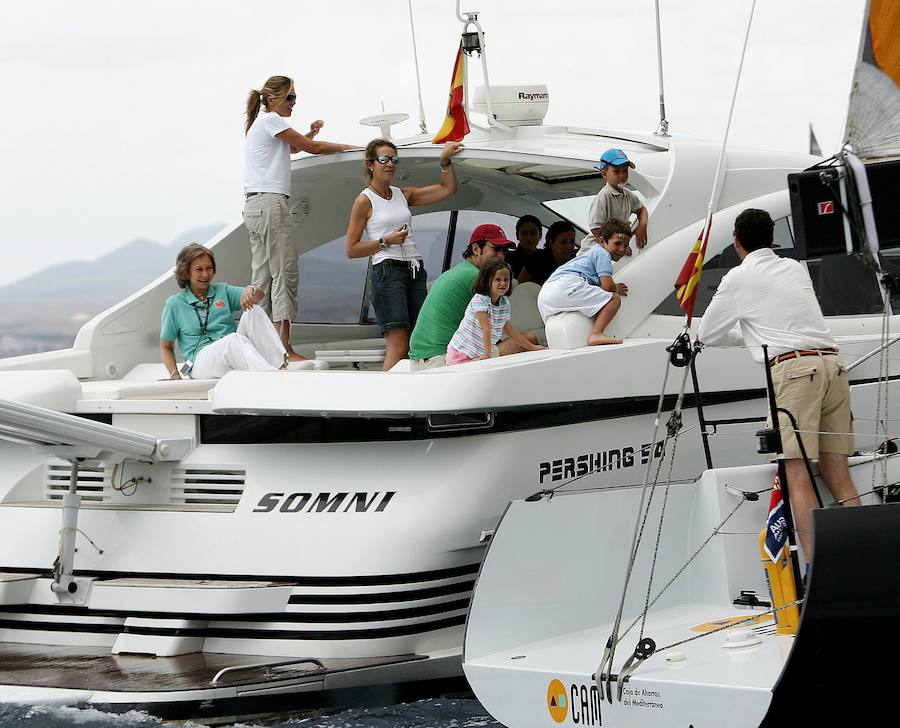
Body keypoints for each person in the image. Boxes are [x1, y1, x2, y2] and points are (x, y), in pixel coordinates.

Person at [698, 208, 859, 562]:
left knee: (794, 470)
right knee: (837, 469)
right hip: (833, 364)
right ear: (771, 239)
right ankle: (864, 561)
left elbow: (707, 333)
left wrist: (748, 335)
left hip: (794, 371)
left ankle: (818, 570)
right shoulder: (794, 267)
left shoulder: (737, 279)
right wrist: (758, 331)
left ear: (736, 242)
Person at [243, 75, 355, 361]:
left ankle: (256, 345)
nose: (295, 103)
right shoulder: (270, 120)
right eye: (290, 97)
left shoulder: (263, 123)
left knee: (262, 280)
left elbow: (294, 147)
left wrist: (310, 133)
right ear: (272, 99)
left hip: (254, 206)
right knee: (285, 274)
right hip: (271, 204)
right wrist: (351, 148)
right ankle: (284, 350)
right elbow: (310, 149)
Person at [346, 138, 463, 370]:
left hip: (414, 271)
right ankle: (387, 401)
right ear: (371, 164)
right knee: (398, 344)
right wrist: (384, 241)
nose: (390, 164)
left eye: (394, 159)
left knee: (418, 341)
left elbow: (447, 189)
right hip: (387, 273)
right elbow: (351, 249)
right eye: (384, 159)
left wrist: (444, 161)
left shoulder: (402, 194)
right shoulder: (364, 200)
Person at [409, 224, 538, 368]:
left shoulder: (460, 270)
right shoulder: (477, 278)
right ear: (476, 249)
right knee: (529, 340)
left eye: (505, 250)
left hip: (419, 359)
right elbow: (497, 328)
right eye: (496, 249)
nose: (502, 255)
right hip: (443, 359)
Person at [160, 244, 292, 380]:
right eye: (199, 269)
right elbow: (166, 346)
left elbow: (259, 295)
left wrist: (251, 291)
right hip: (200, 362)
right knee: (232, 341)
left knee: (254, 310)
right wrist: (174, 374)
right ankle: (273, 378)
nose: (205, 274)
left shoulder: (222, 290)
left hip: (232, 350)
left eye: (209, 268)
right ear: (187, 272)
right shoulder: (174, 304)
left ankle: (280, 365)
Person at [537, 219, 631, 346]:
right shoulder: (603, 254)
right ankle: (596, 334)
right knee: (614, 299)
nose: (621, 249)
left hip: (546, 293)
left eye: (626, 245)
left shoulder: (592, 253)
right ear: (602, 241)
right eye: (617, 243)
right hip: (567, 285)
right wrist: (617, 288)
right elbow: (607, 286)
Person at [447, 259, 545, 365]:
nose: (503, 283)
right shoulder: (480, 300)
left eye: (506, 279)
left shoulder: (504, 304)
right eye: (497, 279)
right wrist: (488, 356)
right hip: (461, 354)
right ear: (487, 281)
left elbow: (510, 331)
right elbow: (486, 329)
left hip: (479, 355)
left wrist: (533, 347)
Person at [577, 148, 648, 258]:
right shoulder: (604, 196)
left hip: (610, 248)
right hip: (592, 251)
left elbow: (642, 209)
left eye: (625, 171)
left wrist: (642, 227)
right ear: (604, 174)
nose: (622, 175)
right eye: (616, 171)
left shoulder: (627, 194)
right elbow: (596, 228)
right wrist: (619, 246)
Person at [518, 220, 577, 285]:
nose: (569, 246)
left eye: (572, 241)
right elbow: (520, 285)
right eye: (563, 242)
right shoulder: (537, 259)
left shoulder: (577, 260)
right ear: (551, 243)